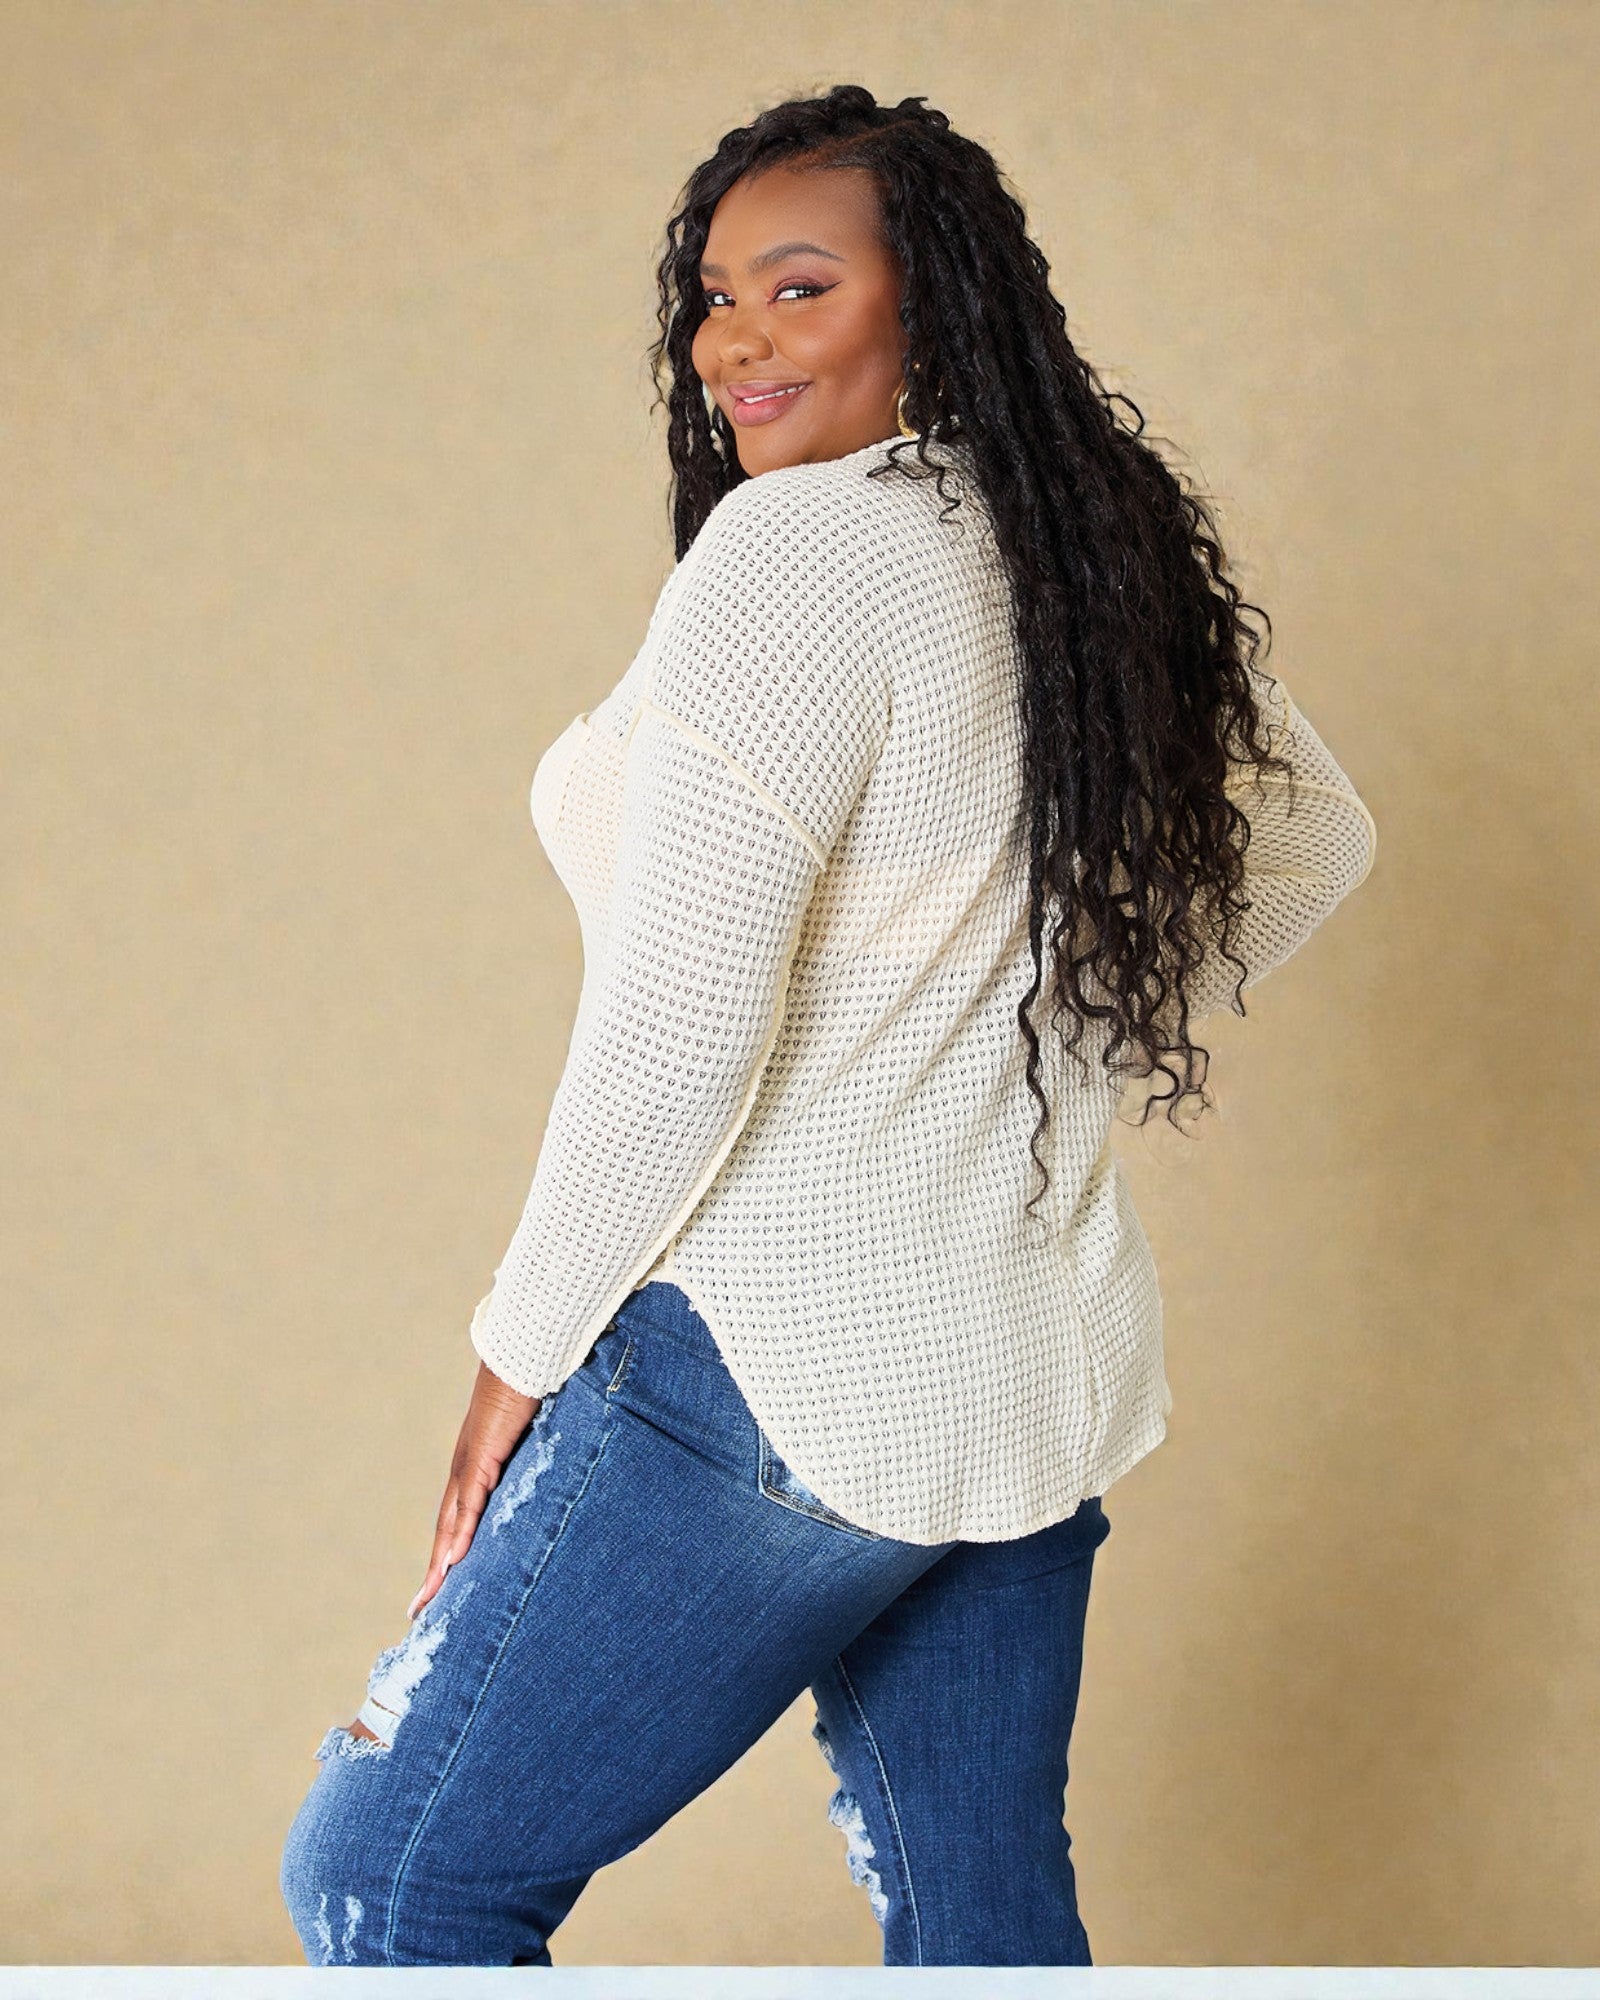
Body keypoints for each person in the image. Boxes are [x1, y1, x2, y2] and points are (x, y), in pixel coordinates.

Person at [280, 85, 1377, 1968]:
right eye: (717, 296)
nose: (737, 340)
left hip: (769, 1371)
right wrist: (1040, 1047)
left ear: (930, 309)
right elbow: (1311, 837)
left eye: (800, 286)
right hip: (1028, 1367)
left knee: (392, 1882)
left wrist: (512, 1357)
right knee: (980, 1919)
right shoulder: (1072, 549)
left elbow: (678, 1032)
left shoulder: (791, 570)